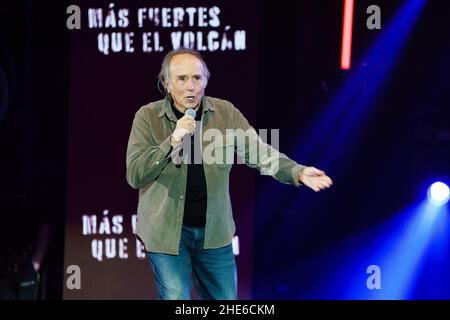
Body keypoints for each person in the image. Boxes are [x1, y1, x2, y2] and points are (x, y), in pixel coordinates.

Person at [126, 48, 332, 300]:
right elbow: (135, 174)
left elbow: (259, 152)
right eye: (182, 79)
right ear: (167, 84)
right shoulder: (147, 117)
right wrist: (173, 139)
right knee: (177, 297)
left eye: (197, 78)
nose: (191, 86)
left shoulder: (225, 113)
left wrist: (298, 172)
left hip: (214, 233)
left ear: (205, 82)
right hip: (166, 234)